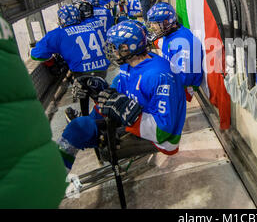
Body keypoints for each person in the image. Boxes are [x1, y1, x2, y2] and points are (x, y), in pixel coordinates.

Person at [58, 20, 187, 170]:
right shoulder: (129, 64)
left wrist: (130, 113)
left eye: (115, 47)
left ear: (128, 48)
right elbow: (116, 97)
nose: (112, 51)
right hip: (138, 120)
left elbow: (164, 131)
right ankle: (85, 125)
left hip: (159, 139)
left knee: (78, 131)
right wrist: (98, 90)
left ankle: (56, 178)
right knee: (79, 128)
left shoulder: (159, 76)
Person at [0, 12, 67, 208]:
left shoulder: (58, 34)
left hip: (13, 190)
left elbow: (36, 54)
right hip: (46, 169)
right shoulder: (3, 23)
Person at [31, 4, 110, 77]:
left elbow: (36, 54)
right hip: (103, 69)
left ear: (62, 19)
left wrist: (51, 61)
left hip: (82, 72)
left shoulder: (58, 33)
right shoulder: (89, 27)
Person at [146, 2, 204, 101]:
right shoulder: (169, 33)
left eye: (155, 23)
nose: (152, 27)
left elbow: (185, 78)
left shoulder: (183, 43)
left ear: (166, 22)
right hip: (174, 77)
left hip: (182, 87)